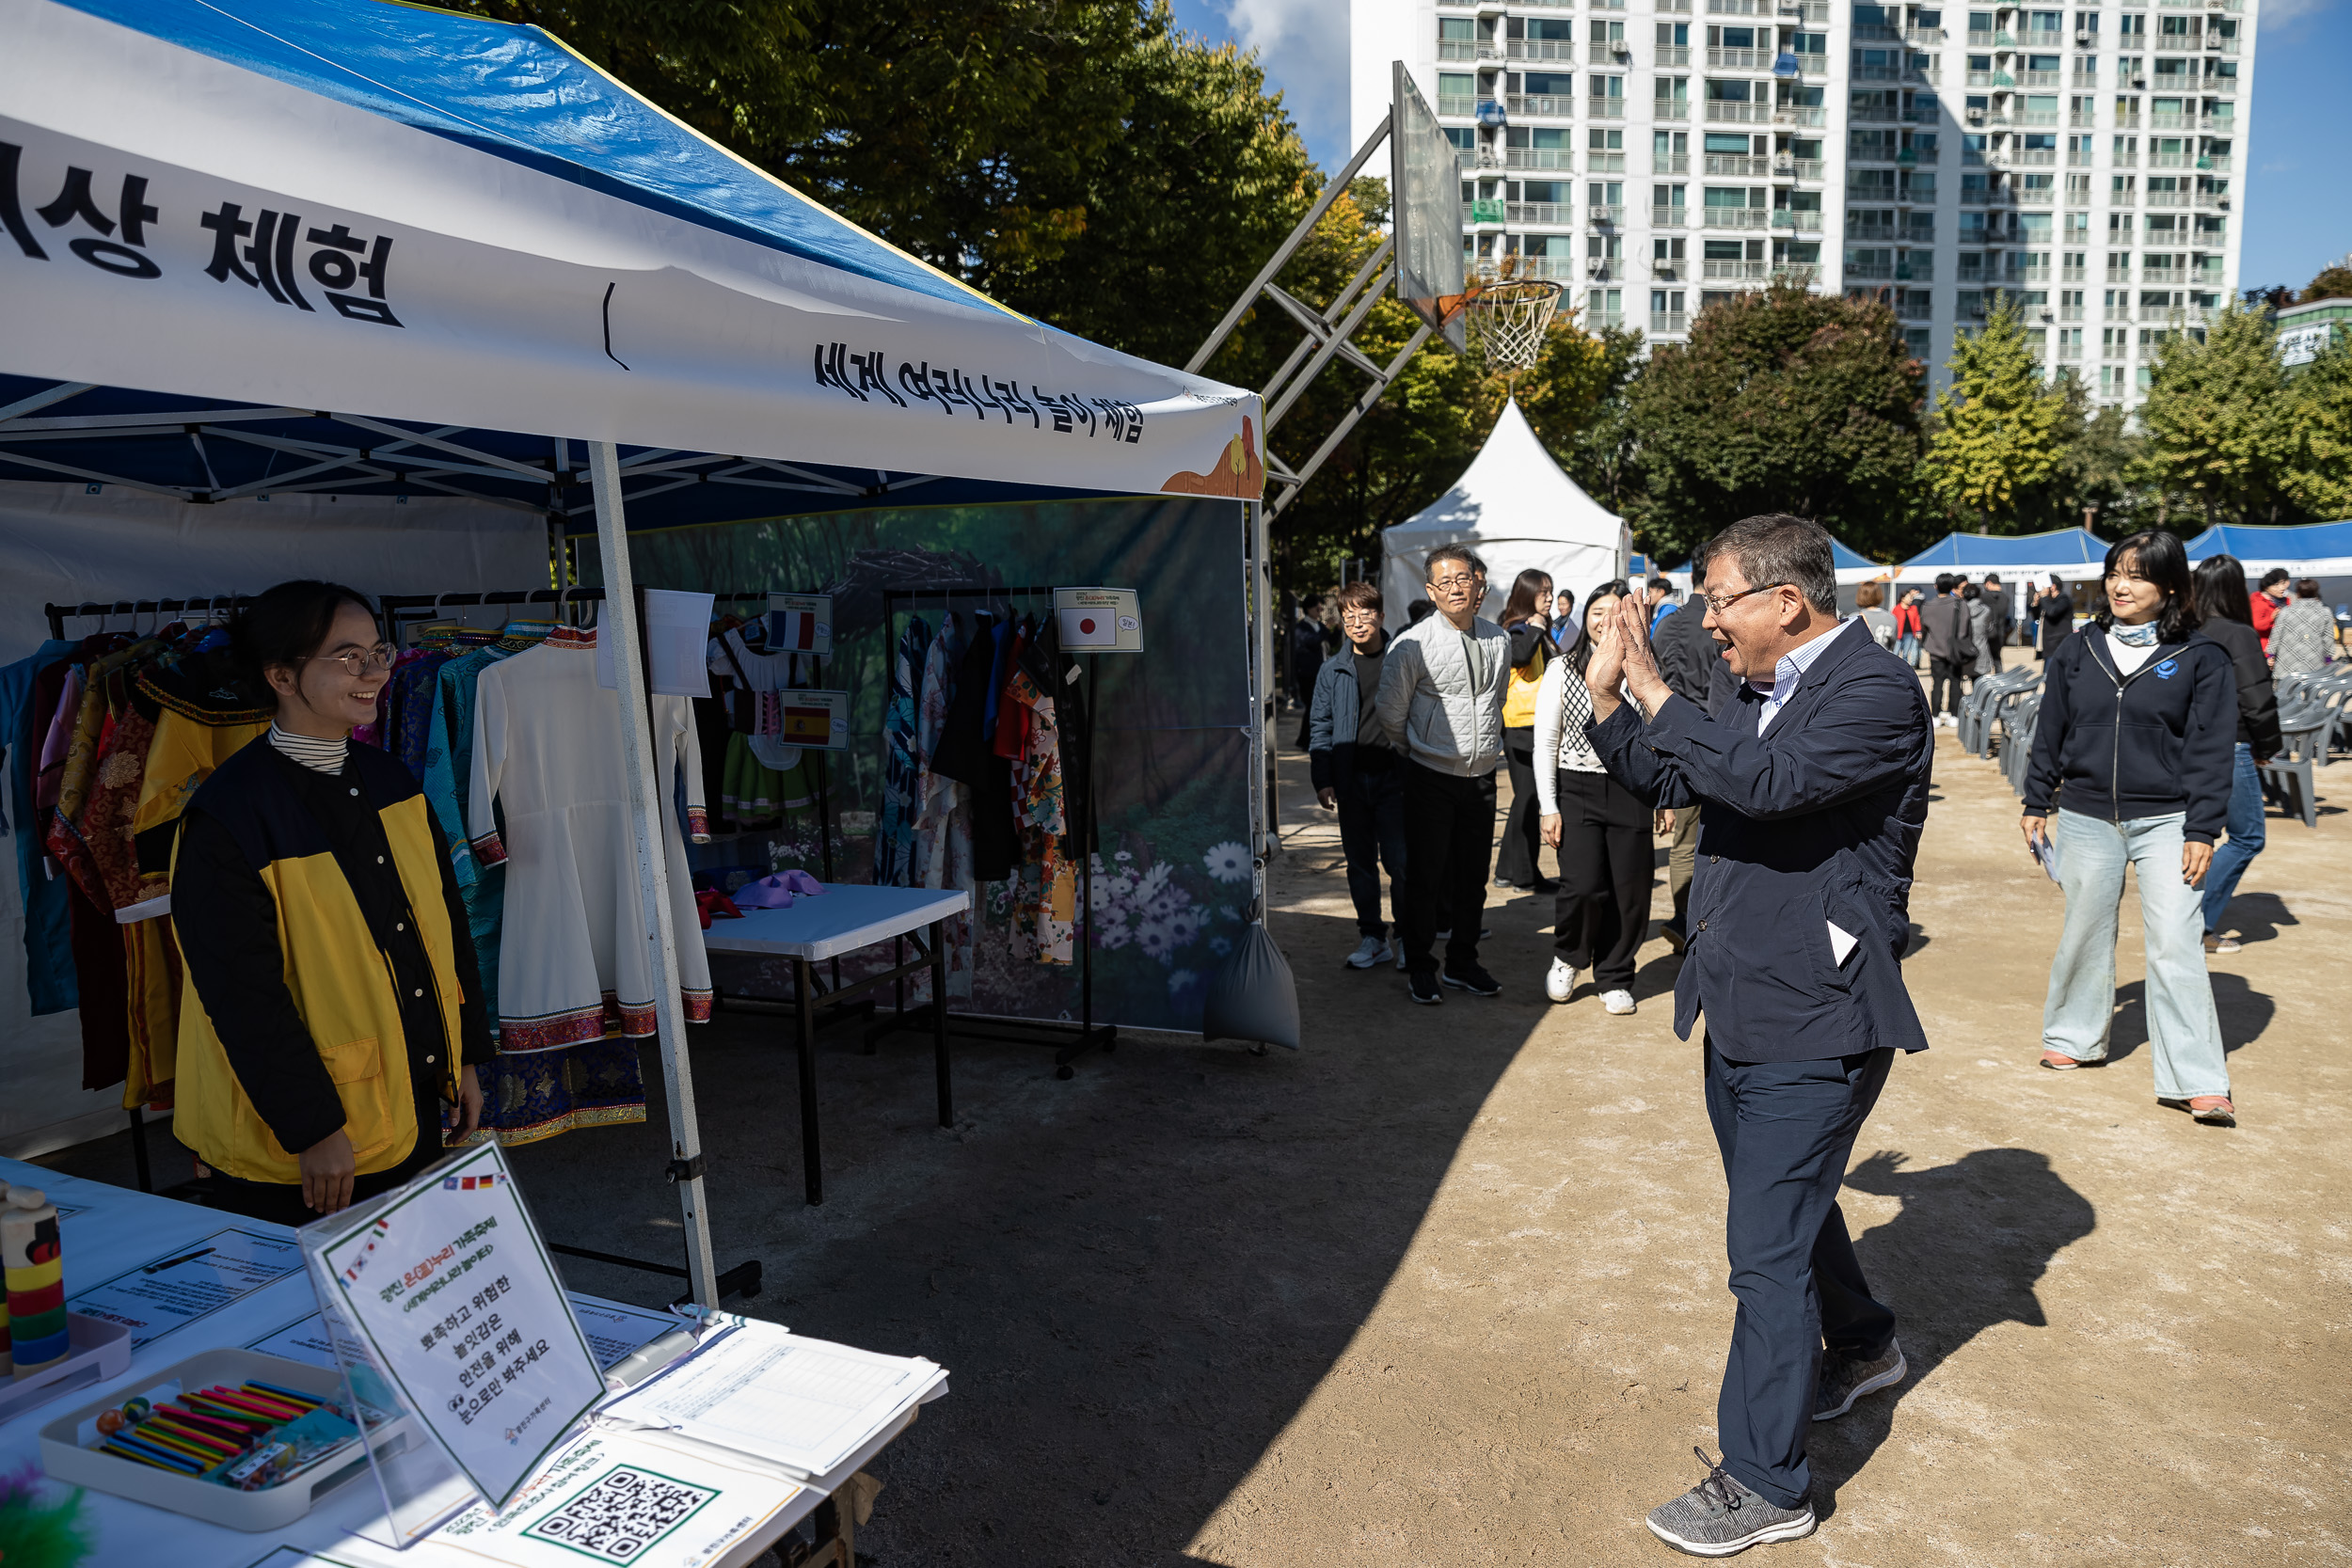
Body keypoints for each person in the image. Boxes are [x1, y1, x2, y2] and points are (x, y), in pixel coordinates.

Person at [1580, 515, 1933, 1557]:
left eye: (1717, 596)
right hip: (1738, 993)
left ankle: (1767, 1481)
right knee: (1779, 1210)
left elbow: (1768, 784)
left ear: (1787, 599)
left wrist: (1654, 687)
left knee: (1762, 1253)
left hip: (1815, 1013)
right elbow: (1676, 777)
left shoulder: (1873, 690)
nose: (1704, 618)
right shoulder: (1755, 676)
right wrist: (1608, 694)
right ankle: (1863, 1341)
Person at [172, 580, 489, 1224]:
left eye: (378, 652)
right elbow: (241, 994)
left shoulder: (392, 781)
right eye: (348, 657)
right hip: (300, 1146)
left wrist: (463, 1058)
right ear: (281, 674)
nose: (373, 672)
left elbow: (445, 929)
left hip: (405, 1103)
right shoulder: (228, 815)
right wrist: (312, 1127)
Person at [2022, 531, 2238, 1127]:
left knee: (2175, 940)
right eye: (2116, 571)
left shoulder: (2200, 657)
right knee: (2085, 929)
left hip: (2169, 821)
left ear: (2169, 587)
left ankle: (2197, 1078)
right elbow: (2052, 731)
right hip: (2088, 815)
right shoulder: (2076, 649)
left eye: (2139, 575)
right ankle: (2072, 1035)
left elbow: (2212, 748)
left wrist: (2203, 827)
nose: (2121, 584)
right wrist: (2037, 800)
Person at [1373, 544, 1511, 1005]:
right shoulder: (1412, 643)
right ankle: (1420, 964)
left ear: (1478, 584)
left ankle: (1463, 961)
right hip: (1429, 774)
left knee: (1473, 876)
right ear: (1431, 592)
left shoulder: (1499, 638)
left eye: (1462, 578)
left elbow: (1498, 701)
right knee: (1425, 876)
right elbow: (1391, 711)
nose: (1455, 587)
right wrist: (1417, 749)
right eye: (1444, 581)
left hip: (1483, 775)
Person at [1534, 578, 1652, 1015]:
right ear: (1585, 618)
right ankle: (1568, 956)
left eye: (1615, 611)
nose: (1605, 620)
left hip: (1632, 789)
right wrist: (1548, 805)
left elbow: (1654, 737)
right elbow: (1546, 741)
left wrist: (1659, 795)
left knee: (1631, 891)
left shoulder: (1643, 667)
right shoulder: (1563, 668)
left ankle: (1616, 974)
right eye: (1597, 611)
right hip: (1577, 786)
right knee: (1582, 886)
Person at [1310, 581, 1411, 972]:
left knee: (1400, 863)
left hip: (1394, 781)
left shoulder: (1401, 661)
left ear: (1381, 616)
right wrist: (1323, 779)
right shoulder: (1332, 670)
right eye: (1348, 615)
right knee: (1360, 864)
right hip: (1351, 783)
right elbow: (1320, 726)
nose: (1356, 622)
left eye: (1364, 614)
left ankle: (1405, 936)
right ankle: (1372, 937)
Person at [2189, 555, 2281, 956]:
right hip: (2231, 744)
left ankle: (2189, 919)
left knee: (2198, 836)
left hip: (2187, 746)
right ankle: (2198, 923)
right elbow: (2256, 697)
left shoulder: (2183, 631)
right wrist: (2267, 746)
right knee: (2247, 836)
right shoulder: (2237, 634)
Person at [1648, 579, 1722, 953]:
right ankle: (1692, 926)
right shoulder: (1718, 625)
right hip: (1712, 737)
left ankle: (1684, 922)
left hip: (1670, 738)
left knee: (1682, 843)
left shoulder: (1664, 625)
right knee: (1713, 841)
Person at [1495, 570, 1561, 893]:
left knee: (1526, 799)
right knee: (1529, 799)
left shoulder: (1538, 628)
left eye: (1551, 592)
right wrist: (1535, 627)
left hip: (1533, 724)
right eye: (1543, 592)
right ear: (1527, 595)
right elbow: (1519, 656)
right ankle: (1523, 875)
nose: (1549, 598)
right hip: (1522, 724)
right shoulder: (1515, 628)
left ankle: (1509, 871)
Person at [1918, 572, 1977, 724]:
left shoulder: (1927, 606)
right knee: (1955, 682)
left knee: (1937, 683)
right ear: (1952, 586)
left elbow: (1925, 627)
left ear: (1936, 587)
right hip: (1955, 651)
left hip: (1935, 651)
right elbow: (1965, 629)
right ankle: (1954, 714)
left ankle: (1936, 714)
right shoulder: (1960, 604)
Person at [2269, 578, 2338, 676]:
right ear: (2315, 592)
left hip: (2287, 660)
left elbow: (2276, 634)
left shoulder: (2286, 611)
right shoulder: (2325, 612)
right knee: (2313, 689)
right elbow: (2328, 637)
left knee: (2287, 689)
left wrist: (2271, 655)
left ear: (2298, 593)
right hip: (2314, 660)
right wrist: (2328, 658)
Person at [2036, 574, 2075, 661]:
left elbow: (2052, 612)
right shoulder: (2049, 601)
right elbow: (2037, 617)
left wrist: (2044, 597)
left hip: (2058, 644)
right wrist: (2036, 604)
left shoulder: (2063, 599)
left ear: (2053, 587)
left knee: (2050, 672)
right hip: (2049, 645)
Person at [2249, 567, 2289, 652]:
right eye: (2276, 585)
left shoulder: (2285, 601)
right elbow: (2256, 625)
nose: (2282, 588)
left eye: (2283, 584)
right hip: (2266, 649)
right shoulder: (2259, 602)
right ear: (2266, 587)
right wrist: (2271, 619)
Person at [1979, 573, 2011, 671]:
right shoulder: (2005, 597)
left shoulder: (1984, 597)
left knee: (1983, 661)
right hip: (2000, 632)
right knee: (1997, 660)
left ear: (1988, 583)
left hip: (1986, 633)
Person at [1853, 582, 1898, 649]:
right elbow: (1892, 644)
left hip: (1863, 657)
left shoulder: (1854, 618)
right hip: (1884, 656)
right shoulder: (1891, 618)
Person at [1891, 588, 1923, 667]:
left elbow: (1917, 620)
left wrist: (1918, 631)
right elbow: (1893, 621)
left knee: (1906, 653)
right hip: (1898, 634)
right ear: (1903, 598)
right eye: (1909, 598)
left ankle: (1905, 667)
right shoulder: (1897, 609)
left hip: (1909, 633)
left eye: (1911, 598)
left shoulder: (1913, 608)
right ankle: (1894, 666)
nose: (1910, 600)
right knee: (1896, 652)